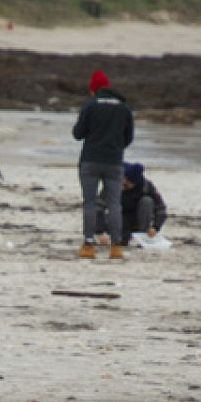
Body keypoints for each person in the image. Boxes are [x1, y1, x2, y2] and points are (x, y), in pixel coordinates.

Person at [72, 69, 134, 260]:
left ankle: (89, 244)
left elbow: (78, 133)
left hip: (90, 159)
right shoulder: (124, 108)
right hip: (114, 161)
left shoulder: (90, 105)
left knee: (90, 203)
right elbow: (129, 137)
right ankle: (116, 246)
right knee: (114, 204)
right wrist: (115, 146)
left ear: (93, 89)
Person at [118, 163, 167, 245]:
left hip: (139, 220)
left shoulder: (146, 186)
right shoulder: (114, 185)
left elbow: (161, 209)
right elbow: (99, 205)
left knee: (147, 201)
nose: (124, 182)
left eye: (128, 181)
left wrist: (155, 227)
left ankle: (142, 237)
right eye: (124, 178)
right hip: (119, 219)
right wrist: (100, 232)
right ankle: (122, 237)